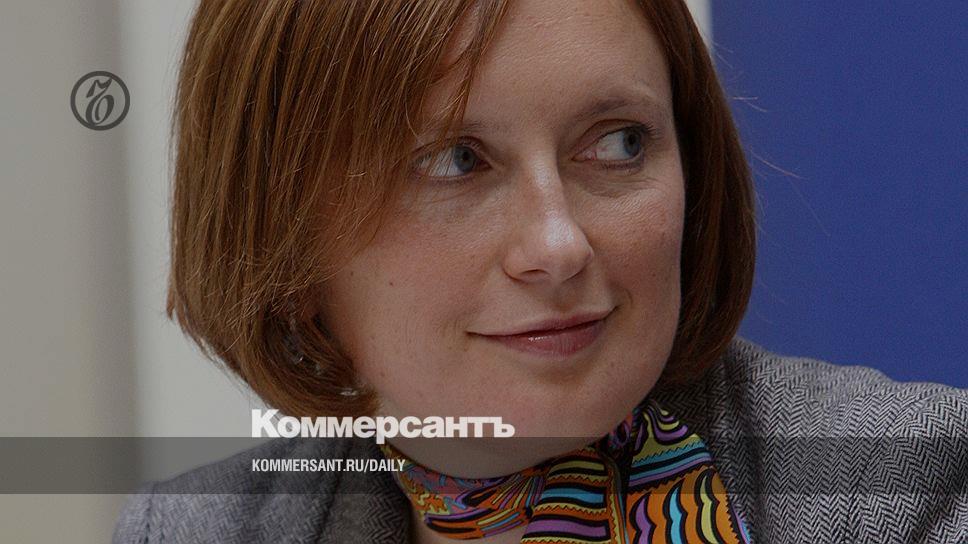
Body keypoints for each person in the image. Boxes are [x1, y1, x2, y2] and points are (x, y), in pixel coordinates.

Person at [112, 0, 968, 542]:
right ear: (285, 235)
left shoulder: (896, 487)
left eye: (618, 143)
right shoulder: (192, 531)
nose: (559, 246)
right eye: (455, 160)